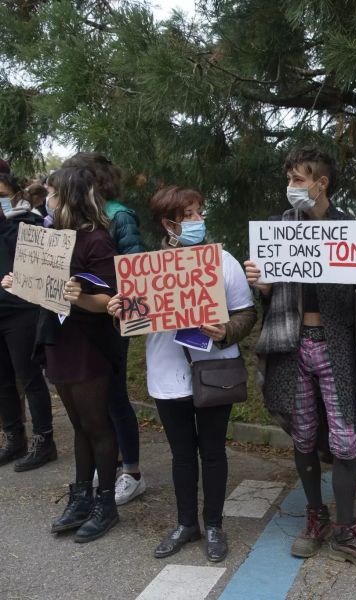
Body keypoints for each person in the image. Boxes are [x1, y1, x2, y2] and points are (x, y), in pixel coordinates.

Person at [245, 146, 356, 572]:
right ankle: (317, 517)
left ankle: (347, 529)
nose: (291, 187)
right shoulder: (277, 229)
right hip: (291, 345)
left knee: (346, 437)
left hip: (338, 346)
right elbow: (270, 295)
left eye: (298, 179)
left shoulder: (351, 230)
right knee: (304, 435)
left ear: (321, 183)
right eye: (290, 179)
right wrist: (262, 282)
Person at [107, 186, 257, 561]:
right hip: (167, 374)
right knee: (182, 455)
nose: (196, 221)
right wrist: (118, 312)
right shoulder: (146, 269)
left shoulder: (224, 262)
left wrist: (225, 332)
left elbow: (246, 313)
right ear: (168, 223)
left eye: (198, 213)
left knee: (213, 452)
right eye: (188, 215)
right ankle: (186, 523)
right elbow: (133, 323)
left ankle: (215, 525)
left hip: (214, 370)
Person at [3, 166, 121, 542]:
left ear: (69, 197)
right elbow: (43, 289)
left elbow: (111, 301)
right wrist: (19, 283)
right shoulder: (51, 236)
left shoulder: (97, 240)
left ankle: (107, 504)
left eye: (52, 193)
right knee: (78, 425)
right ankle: (81, 495)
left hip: (89, 344)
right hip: (57, 338)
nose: (47, 200)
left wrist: (81, 298)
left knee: (97, 424)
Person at [62, 152, 146, 506]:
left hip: (112, 319)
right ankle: (107, 462)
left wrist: (129, 315)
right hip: (83, 324)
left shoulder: (119, 216)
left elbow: (135, 268)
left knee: (113, 396)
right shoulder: (76, 224)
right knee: (97, 401)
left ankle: (132, 471)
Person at [0, 173, 56, 471]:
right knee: (3, 381)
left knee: (30, 377)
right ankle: (14, 438)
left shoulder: (26, 224)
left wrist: (16, 219)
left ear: (15, 195)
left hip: (21, 312)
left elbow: (44, 258)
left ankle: (44, 441)